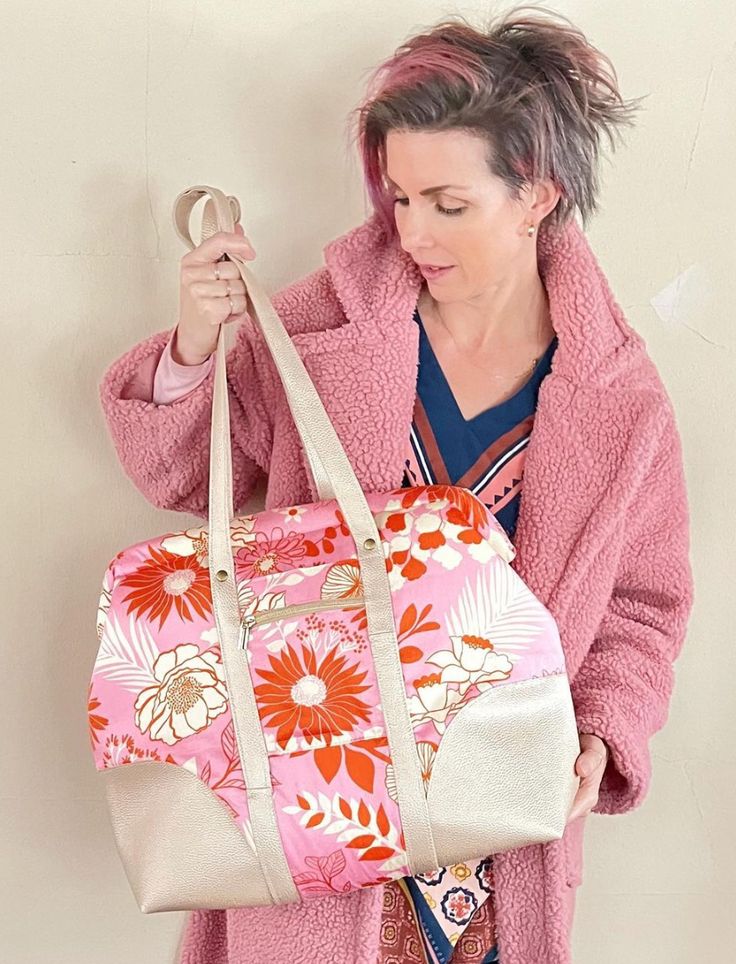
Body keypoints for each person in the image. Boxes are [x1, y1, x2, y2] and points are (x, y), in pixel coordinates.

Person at [98, 8, 694, 963]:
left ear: (536, 195)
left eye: (448, 204)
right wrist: (195, 344)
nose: (413, 230)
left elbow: (642, 604)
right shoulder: (322, 329)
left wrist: (604, 732)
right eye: (399, 198)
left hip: (495, 821)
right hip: (308, 792)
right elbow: (175, 471)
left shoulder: (620, 397)